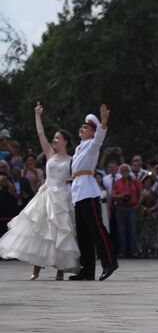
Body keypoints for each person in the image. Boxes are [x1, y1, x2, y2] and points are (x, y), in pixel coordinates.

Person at [0, 102, 79, 279]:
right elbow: (40, 134)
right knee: (39, 230)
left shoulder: (72, 159)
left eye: (58, 138)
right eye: (55, 138)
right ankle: (36, 269)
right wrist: (37, 115)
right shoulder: (50, 153)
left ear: (66, 141)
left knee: (60, 233)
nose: (55, 140)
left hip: (62, 197)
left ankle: (60, 270)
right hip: (45, 195)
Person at [69, 105, 118, 281]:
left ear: (92, 131)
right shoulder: (79, 147)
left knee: (97, 228)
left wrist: (103, 123)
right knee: (83, 233)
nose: (82, 129)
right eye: (81, 127)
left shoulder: (92, 145)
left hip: (88, 190)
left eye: (86, 127)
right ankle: (87, 270)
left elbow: (99, 138)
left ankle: (110, 262)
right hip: (78, 190)